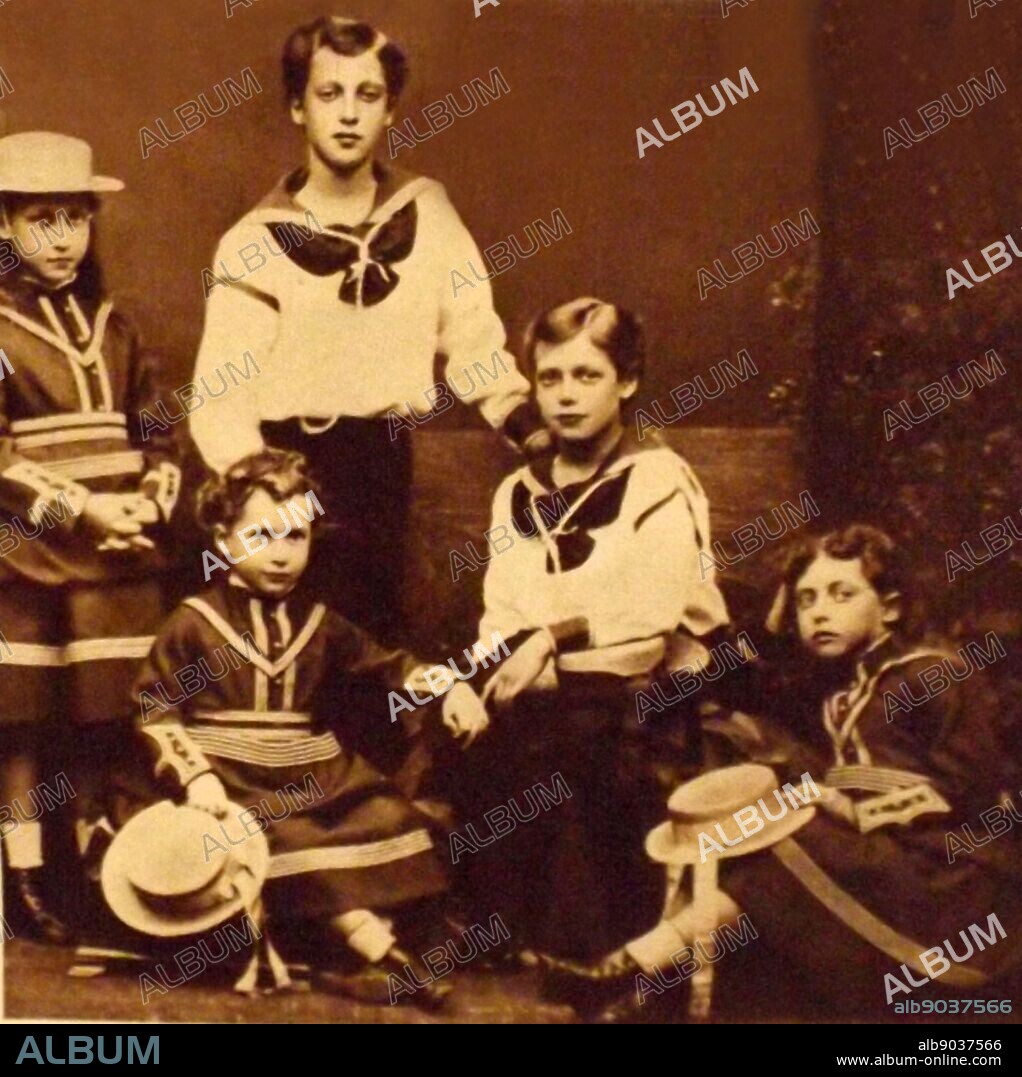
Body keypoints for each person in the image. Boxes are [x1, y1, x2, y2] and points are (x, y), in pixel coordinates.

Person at [551, 525, 1022, 1022]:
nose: (819, 612)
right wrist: (775, 625)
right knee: (735, 836)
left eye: (843, 595)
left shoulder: (934, 675)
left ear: (891, 608)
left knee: (771, 835)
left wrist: (848, 809)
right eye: (805, 601)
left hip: (954, 876)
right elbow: (746, 675)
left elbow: (971, 791)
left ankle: (629, 974)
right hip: (884, 861)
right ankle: (633, 983)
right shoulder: (840, 689)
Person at [189, 15, 544, 640]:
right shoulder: (255, 241)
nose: (348, 114)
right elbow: (221, 398)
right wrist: (270, 501)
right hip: (286, 469)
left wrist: (527, 424)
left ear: (389, 109)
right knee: (295, 648)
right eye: (329, 95)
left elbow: (474, 344)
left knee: (374, 649)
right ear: (298, 108)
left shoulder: (427, 215)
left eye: (368, 95)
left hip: (382, 466)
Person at [129, 448, 490, 1007]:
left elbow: (391, 666)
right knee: (279, 840)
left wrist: (451, 685)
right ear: (224, 540)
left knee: (390, 818)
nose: (280, 555)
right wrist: (196, 778)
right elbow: (155, 709)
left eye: (295, 537)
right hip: (229, 776)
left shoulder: (322, 622)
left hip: (315, 772)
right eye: (261, 536)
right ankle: (377, 951)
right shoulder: (192, 623)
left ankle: (354, 944)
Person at [453, 297, 731, 966]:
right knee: (462, 724)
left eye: (587, 376)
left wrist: (550, 641)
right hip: (549, 678)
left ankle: (591, 946)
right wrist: (472, 682)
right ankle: (497, 934)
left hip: (658, 683)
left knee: (578, 730)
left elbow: (650, 618)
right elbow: (504, 609)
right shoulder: (518, 489)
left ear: (626, 381)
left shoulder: (658, 477)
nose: (566, 396)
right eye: (550, 378)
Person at [0, 132, 181, 944]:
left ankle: (92, 869)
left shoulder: (117, 325)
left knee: (104, 717)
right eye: (41, 219)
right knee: (25, 719)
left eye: (75, 217)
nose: (62, 236)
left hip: (118, 552)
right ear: (4, 227)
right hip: (31, 543)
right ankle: (25, 873)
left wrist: (148, 499)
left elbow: (160, 431)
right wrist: (83, 510)